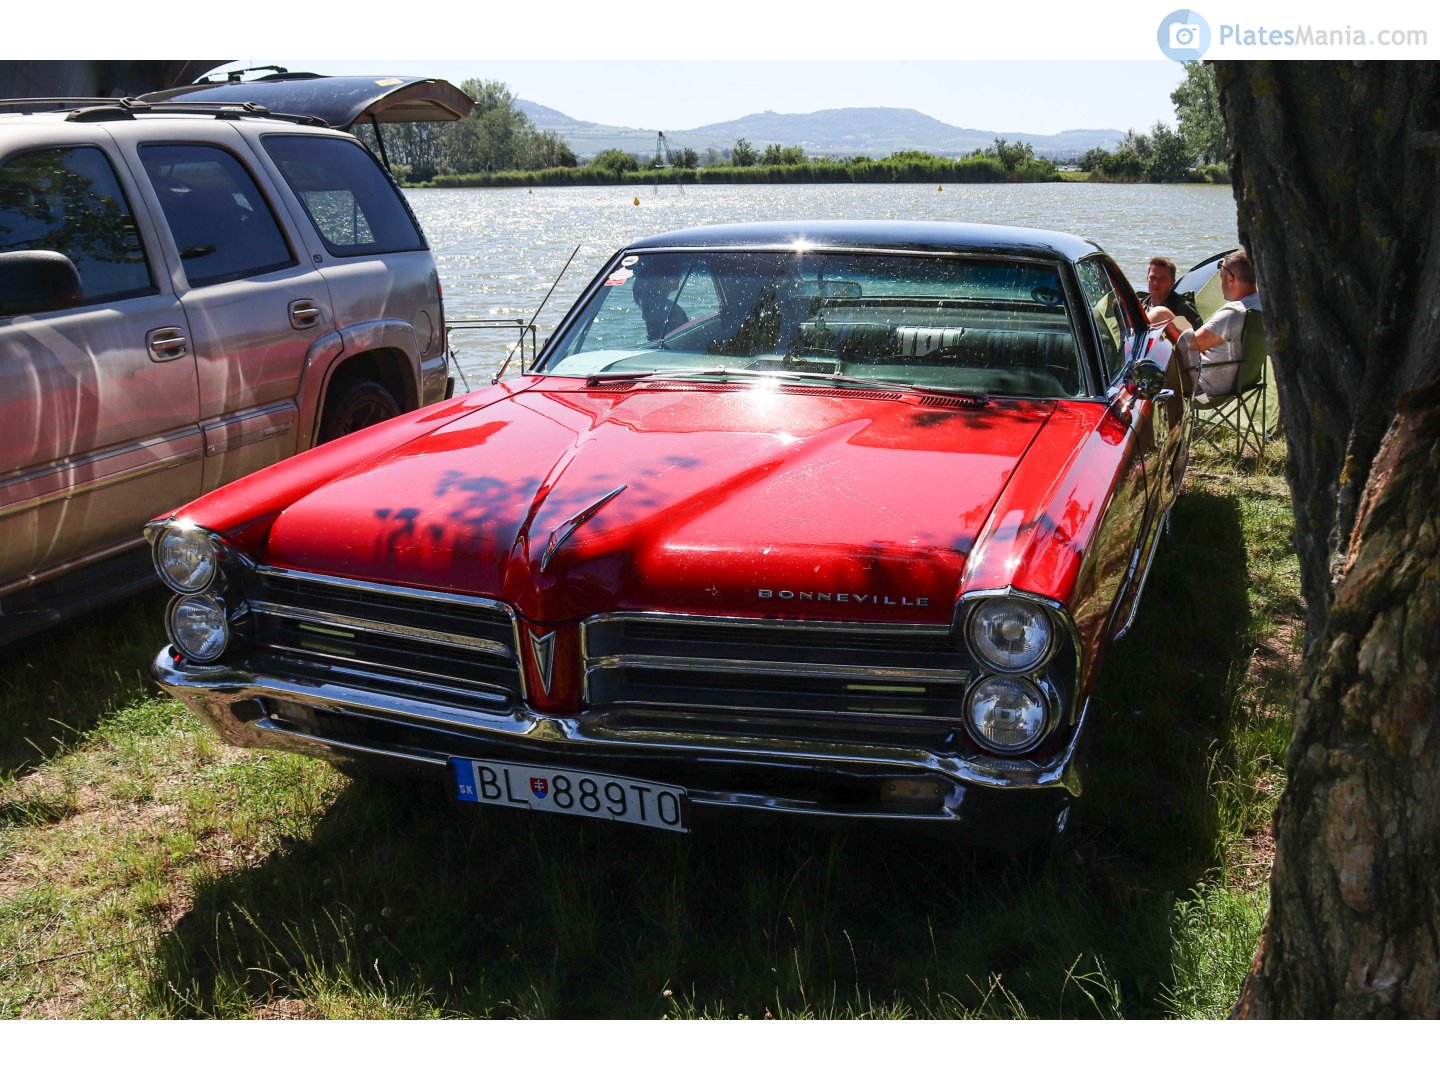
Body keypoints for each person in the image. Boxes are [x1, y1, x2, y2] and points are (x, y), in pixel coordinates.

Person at [1176, 248, 1262, 398]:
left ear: (1230, 279)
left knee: (1161, 316)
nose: (1221, 285)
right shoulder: (1264, 308)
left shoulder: (1235, 312)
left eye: (1221, 278)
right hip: (1244, 383)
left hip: (1205, 387)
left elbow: (1191, 345)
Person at [631, 262, 689, 341]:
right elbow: (683, 340)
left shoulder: (651, 306)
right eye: (676, 273)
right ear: (664, 279)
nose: (680, 277)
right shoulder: (665, 308)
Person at [1141, 256, 1202, 329]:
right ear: (1147, 278)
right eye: (1152, 277)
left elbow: (1198, 338)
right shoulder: (1139, 306)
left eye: (1162, 279)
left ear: (1172, 282)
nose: (1156, 283)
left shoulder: (1183, 309)